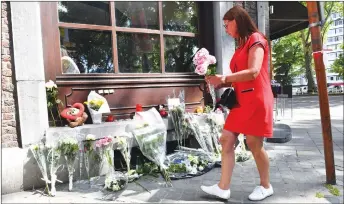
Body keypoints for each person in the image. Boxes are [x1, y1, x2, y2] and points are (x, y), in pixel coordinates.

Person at [200, 5, 274, 201]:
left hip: (257, 99)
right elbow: (240, 76)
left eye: (227, 25)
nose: (225, 30)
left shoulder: (256, 40)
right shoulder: (241, 45)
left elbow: (254, 72)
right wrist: (219, 81)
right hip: (242, 101)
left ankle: (266, 186)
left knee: (254, 144)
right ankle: (223, 188)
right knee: (226, 139)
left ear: (237, 21)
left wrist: (224, 78)